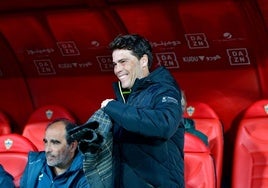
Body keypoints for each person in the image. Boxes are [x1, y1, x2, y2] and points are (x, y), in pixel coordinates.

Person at [101, 34, 185, 187]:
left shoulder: (165, 90)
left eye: (123, 62)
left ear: (144, 60)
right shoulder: (128, 98)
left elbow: (163, 124)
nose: (117, 69)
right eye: (114, 64)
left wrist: (113, 107)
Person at [20, 118, 90, 188]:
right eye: (46, 142)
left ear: (72, 146)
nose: (47, 149)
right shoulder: (34, 163)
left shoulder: (88, 175)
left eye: (55, 143)